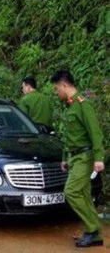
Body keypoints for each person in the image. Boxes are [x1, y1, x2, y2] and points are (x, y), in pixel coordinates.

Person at [51, 70, 105, 248]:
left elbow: (95, 132)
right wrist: (65, 157)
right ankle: (94, 234)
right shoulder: (70, 105)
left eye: (56, 88)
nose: (56, 92)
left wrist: (99, 158)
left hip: (85, 156)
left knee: (71, 191)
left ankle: (92, 228)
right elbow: (70, 136)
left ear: (64, 85)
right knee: (83, 195)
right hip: (74, 157)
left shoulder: (83, 105)